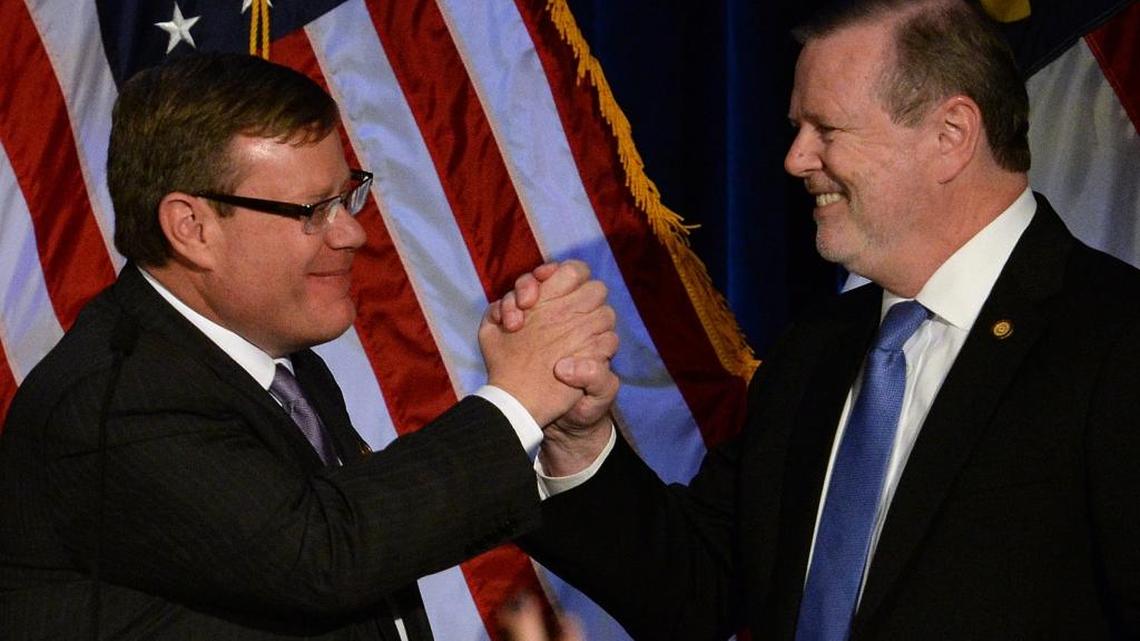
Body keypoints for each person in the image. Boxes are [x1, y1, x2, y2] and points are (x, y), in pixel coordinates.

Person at [502, 0, 1140, 638]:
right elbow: (700, 590)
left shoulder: (1115, 339)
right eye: (797, 128)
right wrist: (577, 441)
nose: (795, 158)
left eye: (827, 130)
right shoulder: (816, 348)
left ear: (951, 135)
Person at [0, 53, 617, 640]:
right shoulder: (116, 400)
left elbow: (369, 558)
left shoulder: (275, 366)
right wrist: (517, 399)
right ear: (192, 228)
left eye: (348, 195)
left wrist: (554, 427)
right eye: (315, 210)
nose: (353, 231)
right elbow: (326, 556)